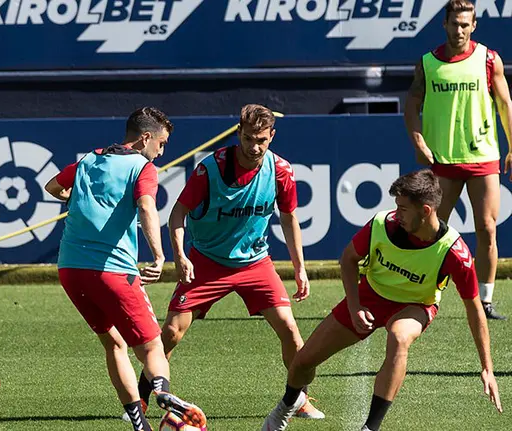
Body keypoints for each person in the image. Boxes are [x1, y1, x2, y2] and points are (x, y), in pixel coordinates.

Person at [262, 169, 502, 431]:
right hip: (370, 296)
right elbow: (348, 260)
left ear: (425, 211)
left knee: (399, 338)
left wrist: (487, 368)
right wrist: (354, 307)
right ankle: (288, 404)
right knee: (302, 363)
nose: (396, 213)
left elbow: (474, 308)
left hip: (416, 305)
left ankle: (370, 428)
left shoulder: (455, 252)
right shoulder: (381, 224)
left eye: (402, 208)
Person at [130, 104, 323, 422]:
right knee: (172, 332)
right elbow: (177, 214)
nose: (254, 146)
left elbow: (289, 218)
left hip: (255, 264)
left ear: (272, 136)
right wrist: (180, 256)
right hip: (206, 261)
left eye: (261, 139)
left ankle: (298, 399)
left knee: (290, 329)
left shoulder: (281, 171)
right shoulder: (212, 169)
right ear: (238, 134)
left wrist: (299, 267)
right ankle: (142, 397)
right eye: (248, 138)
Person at [45, 107, 207, 431]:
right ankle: (162, 394)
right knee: (152, 347)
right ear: (145, 138)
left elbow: (52, 186)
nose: (161, 152)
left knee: (115, 343)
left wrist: (76, 201)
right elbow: (147, 206)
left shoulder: (89, 160)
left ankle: (139, 425)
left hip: (71, 270)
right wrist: (160, 257)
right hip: (112, 271)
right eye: (160, 144)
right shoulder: (143, 168)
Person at [404, 0, 512, 320]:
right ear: (445, 24)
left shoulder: (489, 59)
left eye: (466, 24)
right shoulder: (428, 62)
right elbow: (411, 104)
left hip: (483, 157)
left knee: (487, 229)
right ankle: (421, 292)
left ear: (474, 25)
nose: (460, 30)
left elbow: (505, 104)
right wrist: (418, 140)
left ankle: (486, 299)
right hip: (443, 160)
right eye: (455, 24)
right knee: (432, 229)